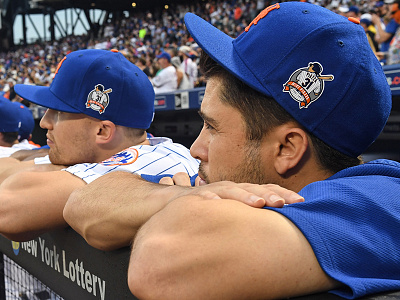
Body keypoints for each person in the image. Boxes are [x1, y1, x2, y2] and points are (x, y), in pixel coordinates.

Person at [64, 2, 400, 299]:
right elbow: (83, 204)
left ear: (287, 148)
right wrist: (178, 199)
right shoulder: (241, 186)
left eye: (212, 127)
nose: (195, 148)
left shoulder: (385, 201)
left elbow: (160, 261)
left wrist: (188, 208)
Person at [0, 48, 199, 242]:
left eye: (58, 112)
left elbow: (7, 209)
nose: (44, 122)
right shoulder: (164, 148)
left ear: (102, 131)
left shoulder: (135, 166)